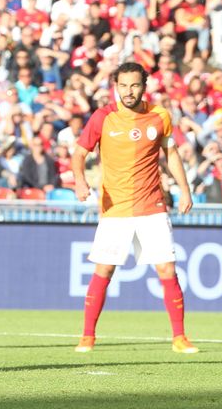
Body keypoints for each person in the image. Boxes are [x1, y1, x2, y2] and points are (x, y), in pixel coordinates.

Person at [71, 62, 197, 354]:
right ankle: (88, 336)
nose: (129, 91)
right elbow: (79, 153)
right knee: (104, 270)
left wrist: (185, 189)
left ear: (144, 86)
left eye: (135, 85)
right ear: (116, 86)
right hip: (115, 208)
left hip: (152, 205)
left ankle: (179, 337)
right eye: (123, 85)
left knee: (167, 269)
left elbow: (171, 153)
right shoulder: (103, 117)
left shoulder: (159, 116)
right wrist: (79, 180)